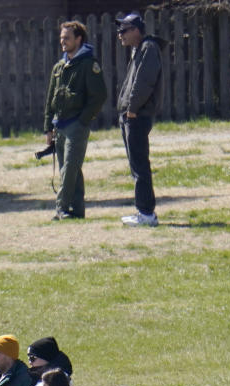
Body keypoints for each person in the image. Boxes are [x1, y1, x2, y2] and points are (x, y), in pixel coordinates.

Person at [43, 20, 107, 220]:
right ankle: (77, 210)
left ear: (78, 39)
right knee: (70, 169)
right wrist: (48, 128)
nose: (63, 42)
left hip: (76, 125)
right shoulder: (59, 67)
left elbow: (99, 96)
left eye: (67, 38)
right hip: (59, 125)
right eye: (61, 38)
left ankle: (60, 208)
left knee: (69, 168)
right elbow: (50, 99)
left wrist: (83, 121)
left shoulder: (89, 65)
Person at [115, 12, 167, 227]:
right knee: (136, 165)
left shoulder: (148, 48)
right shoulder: (139, 50)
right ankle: (143, 211)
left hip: (137, 116)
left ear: (136, 30)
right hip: (131, 115)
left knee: (140, 166)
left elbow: (144, 81)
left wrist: (133, 109)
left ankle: (146, 213)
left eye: (124, 30)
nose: (120, 35)